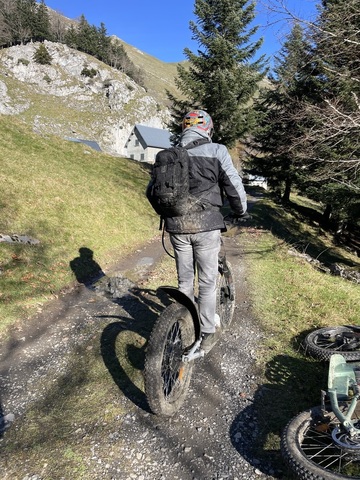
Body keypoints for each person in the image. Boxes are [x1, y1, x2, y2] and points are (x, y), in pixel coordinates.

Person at [156, 109, 247, 353]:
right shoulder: (217, 151)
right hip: (206, 226)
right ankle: (206, 334)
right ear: (207, 128)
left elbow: (152, 191)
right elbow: (234, 186)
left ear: (184, 129)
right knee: (207, 282)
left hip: (176, 227)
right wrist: (240, 210)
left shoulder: (169, 155)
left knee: (185, 281)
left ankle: (184, 327)